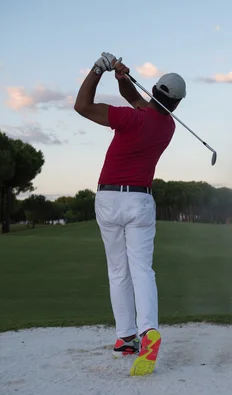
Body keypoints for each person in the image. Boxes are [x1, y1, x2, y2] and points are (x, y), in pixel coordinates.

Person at [74, 51, 186, 376]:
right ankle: (147, 333)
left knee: (117, 271)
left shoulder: (130, 118)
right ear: (176, 104)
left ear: (154, 90)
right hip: (140, 202)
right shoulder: (167, 126)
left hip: (109, 200)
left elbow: (82, 106)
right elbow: (137, 100)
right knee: (142, 271)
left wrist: (98, 69)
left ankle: (124, 338)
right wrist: (121, 78)